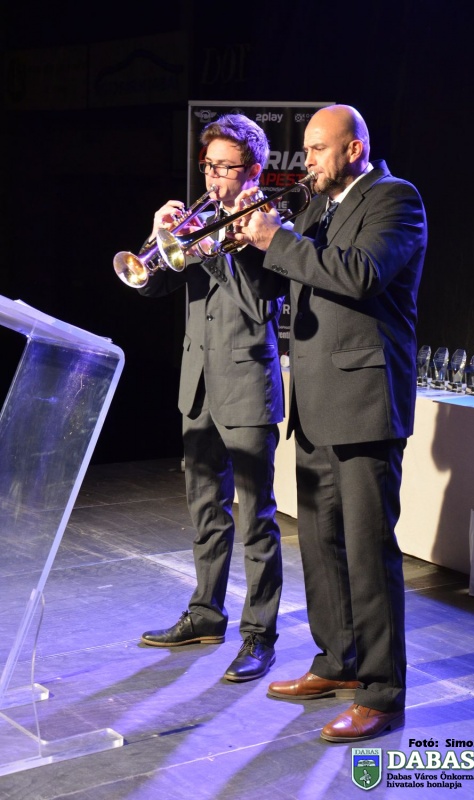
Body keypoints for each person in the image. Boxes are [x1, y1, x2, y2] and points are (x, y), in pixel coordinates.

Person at [231, 104, 427, 739]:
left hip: (365, 405)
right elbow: (278, 284)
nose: (307, 159)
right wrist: (243, 246)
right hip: (315, 405)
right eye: (308, 148)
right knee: (320, 547)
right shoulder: (318, 206)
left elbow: (361, 274)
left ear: (354, 148)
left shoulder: (396, 199)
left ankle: (382, 690)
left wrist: (279, 241)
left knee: (369, 552)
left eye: (318, 148)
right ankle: (338, 661)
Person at [136, 114, 287, 682]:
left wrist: (215, 250)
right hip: (197, 386)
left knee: (257, 518)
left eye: (226, 168)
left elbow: (259, 303)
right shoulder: (198, 222)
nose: (215, 178)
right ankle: (205, 613)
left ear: (253, 170)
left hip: (247, 387)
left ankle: (259, 634)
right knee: (205, 510)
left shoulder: (271, 224)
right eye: (209, 167)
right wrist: (158, 237)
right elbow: (151, 282)